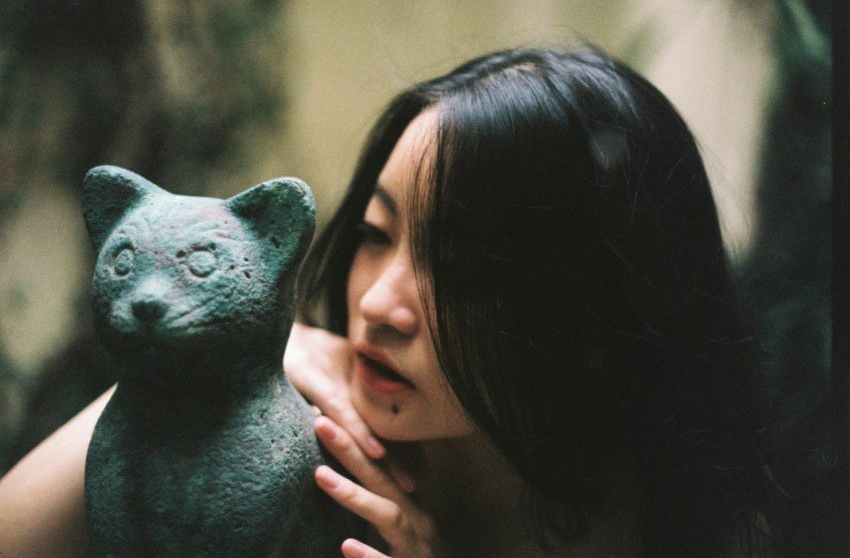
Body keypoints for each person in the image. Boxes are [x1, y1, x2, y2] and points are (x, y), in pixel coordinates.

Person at [0, 46, 779, 557]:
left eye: (466, 266)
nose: (378, 302)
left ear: (600, 315)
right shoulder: (295, 430)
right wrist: (196, 378)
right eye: (375, 232)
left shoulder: (680, 525)